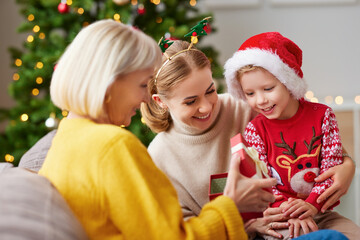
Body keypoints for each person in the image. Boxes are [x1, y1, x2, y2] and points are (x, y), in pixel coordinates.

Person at [38, 19, 278, 240]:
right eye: (142, 84)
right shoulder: (112, 145)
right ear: (111, 83)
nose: (145, 98)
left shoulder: (65, 138)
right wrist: (231, 205)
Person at [140, 40, 356, 239]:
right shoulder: (158, 156)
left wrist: (348, 166)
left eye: (210, 91)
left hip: (298, 213)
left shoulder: (245, 104)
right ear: (160, 102)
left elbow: (313, 138)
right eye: (190, 102)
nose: (206, 107)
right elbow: (181, 232)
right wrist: (247, 228)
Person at [224, 31, 360, 239]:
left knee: (352, 234)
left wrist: (311, 205)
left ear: (288, 82)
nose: (260, 100)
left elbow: (331, 167)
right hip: (278, 215)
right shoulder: (255, 129)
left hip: (321, 210)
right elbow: (263, 180)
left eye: (268, 89)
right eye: (250, 93)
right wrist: (290, 212)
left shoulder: (323, 115)